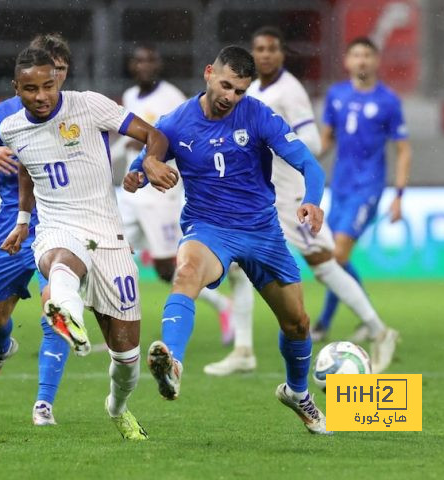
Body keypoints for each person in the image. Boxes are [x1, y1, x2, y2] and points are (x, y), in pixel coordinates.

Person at [125, 46, 330, 435]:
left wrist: (312, 201)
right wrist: (141, 172)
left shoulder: (258, 115)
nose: (230, 97)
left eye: (239, 90)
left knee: (298, 324)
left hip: (262, 232)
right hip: (208, 229)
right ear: (208, 74)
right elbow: (142, 163)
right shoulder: (177, 121)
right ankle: (174, 363)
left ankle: (297, 392)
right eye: (225, 86)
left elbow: (309, 164)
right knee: (185, 272)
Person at [0, 47, 172, 440]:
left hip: (108, 236)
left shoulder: (90, 106)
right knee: (62, 260)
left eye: (48, 85)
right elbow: (26, 169)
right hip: (57, 226)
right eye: (30, 89)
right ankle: (65, 310)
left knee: (127, 359)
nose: (41, 95)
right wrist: (25, 220)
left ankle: (117, 406)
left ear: (58, 79)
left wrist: (150, 160)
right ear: (16, 88)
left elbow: (154, 134)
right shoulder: (11, 128)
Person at [204, 27, 397, 375]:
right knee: (237, 267)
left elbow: (311, 139)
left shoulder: (289, 91)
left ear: (281, 54)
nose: (264, 55)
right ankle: (244, 350)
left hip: (290, 194)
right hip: (261, 195)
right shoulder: (253, 88)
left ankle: (379, 330)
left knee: (324, 264)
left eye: (271, 49)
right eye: (259, 49)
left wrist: (275, 145)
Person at [0, 33, 73, 426]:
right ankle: (1, 349)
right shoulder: (5, 114)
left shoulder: (80, 112)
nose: (50, 82)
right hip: (14, 223)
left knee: (55, 307)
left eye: (58, 72)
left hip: (63, 223)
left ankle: (44, 403)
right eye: (44, 72)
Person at [113, 45, 235, 345]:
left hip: (160, 195)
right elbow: (130, 142)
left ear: (158, 65)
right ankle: (118, 330)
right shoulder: (129, 97)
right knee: (113, 256)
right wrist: (116, 154)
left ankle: (223, 305)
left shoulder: (172, 98)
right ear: (132, 65)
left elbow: (190, 136)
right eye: (139, 60)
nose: (145, 66)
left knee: (168, 269)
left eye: (151, 60)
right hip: (131, 195)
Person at [312, 37, 411, 362]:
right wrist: (299, 165)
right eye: (356, 54)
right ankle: (367, 319)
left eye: (367, 55)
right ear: (347, 61)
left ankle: (329, 322)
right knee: (330, 257)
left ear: (376, 61)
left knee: (337, 255)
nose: (362, 61)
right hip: (338, 187)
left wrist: (398, 195)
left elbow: (403, 149)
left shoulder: (388, 101)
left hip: (368, 188)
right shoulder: (337, 96)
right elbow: (326, 142)